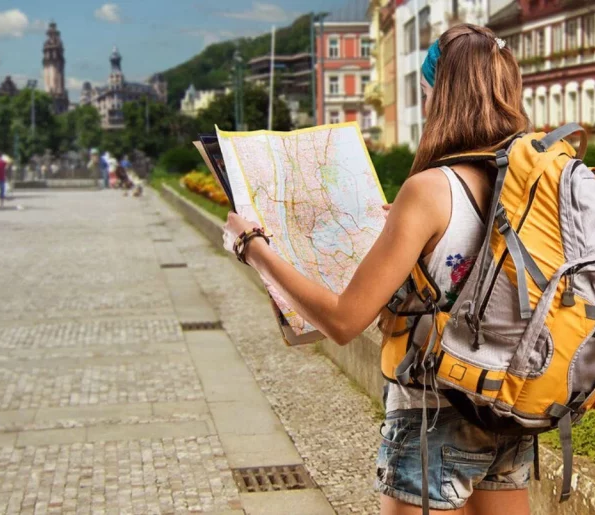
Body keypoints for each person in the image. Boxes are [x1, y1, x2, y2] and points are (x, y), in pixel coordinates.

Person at [222, 24, 532, 515]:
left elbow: (344, 322)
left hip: (432, 413)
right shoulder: (525, 183)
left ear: (441, 97)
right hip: (507, 405)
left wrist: (251, 246)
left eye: (427, 93)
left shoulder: (431, 189)